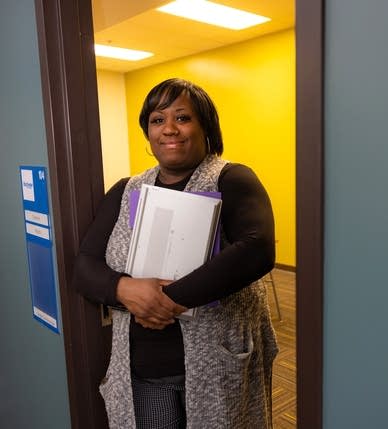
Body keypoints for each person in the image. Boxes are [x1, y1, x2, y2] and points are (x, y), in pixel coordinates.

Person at [73, 78, 278, 429]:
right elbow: (85, 267)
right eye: (157, 120)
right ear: (148, 133)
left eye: (183, 118)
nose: (169, 129)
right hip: (145, 366)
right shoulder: (126, 190)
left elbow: (256, 249)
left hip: (217, 365)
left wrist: (163, 300)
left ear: (206, 127)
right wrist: (124, 289)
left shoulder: (231, 179)